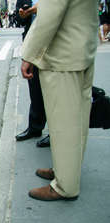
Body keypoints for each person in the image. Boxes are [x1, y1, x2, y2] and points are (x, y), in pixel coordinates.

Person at [21, 0, 99, 201]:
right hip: (82, 49)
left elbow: (48, 16)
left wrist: (28, 55)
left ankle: (65, 185)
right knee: (78, 120)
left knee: (63, 124)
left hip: (62, 56)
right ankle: (66, 171)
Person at [15, 1, 50, 148]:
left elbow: (55, 13)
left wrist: (37, 10)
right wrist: (23, 14)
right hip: (33, 44)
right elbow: (19, 20)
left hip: (54, 45)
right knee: (35, 89)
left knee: (55, 92)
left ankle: (56, 133)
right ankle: (35, 127)